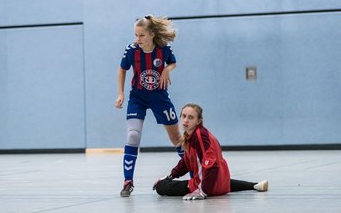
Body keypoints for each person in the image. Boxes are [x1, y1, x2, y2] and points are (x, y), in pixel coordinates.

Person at [115, 15, 184, 197]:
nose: (137, 39)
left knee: (177, 138)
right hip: (137, 97)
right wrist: (121, 93)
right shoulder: (131, 50)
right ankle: (128, 181)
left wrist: (167, 70)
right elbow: (122, 69)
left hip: (159, 97)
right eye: (136, 35)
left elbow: (173, 62)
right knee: (132, 136)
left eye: (141, 35)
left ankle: (195, 173)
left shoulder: (163, 49)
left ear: (151, 34)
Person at [153, 103, 269, 200]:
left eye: (190, 117)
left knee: (161, 187)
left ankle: (251, 185)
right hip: (220, 183)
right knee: (221, 180)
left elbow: (211, 165)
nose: (185, 120)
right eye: (183, 116)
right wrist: (170, 176)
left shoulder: (200, 137)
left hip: (206, 185)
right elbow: (185, 163)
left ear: (199, 121)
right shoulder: (192, 136)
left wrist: (202, 191)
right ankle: (255, 185)